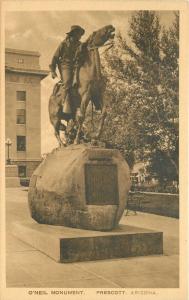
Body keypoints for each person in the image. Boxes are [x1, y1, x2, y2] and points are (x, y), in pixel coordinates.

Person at [49, 25, 85, 114]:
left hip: (77, 66)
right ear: (73, 34)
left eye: (80, 35)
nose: (80, 37)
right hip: (66, 65)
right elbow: (55, 57)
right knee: (68, 82)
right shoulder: (63, 44)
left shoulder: (80, 45)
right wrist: (53, 71)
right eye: (78, 34)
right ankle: (65, 102)